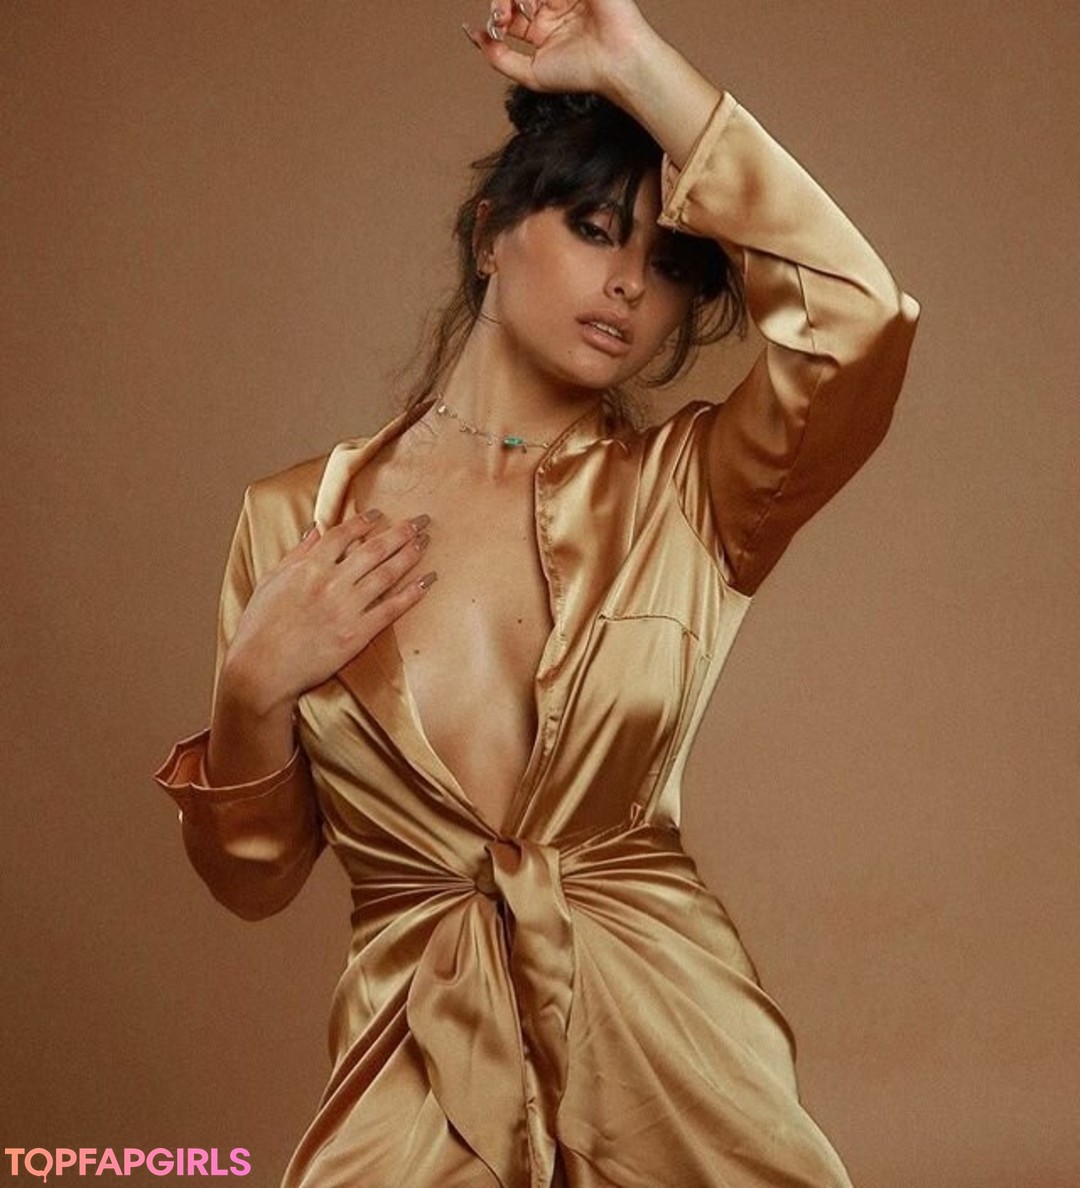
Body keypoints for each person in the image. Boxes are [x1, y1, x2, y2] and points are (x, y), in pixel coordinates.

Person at [155, 2, 919, 1185]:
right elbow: (253, 880)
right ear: (489, 234)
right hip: (413, 1060)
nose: (628, 285)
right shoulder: (294, 520)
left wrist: (634, 63)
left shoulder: (696, 493)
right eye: (593, 229)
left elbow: (859, 322)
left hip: (669, 1051)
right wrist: (252, 686)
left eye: (668, 265)